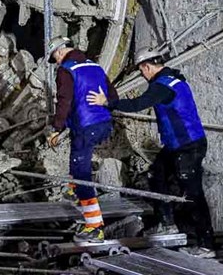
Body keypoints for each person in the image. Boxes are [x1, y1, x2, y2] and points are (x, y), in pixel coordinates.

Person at [86, 48, 215, 258]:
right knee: (157, 175)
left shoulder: (163, 86)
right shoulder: (173, 78)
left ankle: (206, 246)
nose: (142, 75)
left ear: (146, 67)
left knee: (193, 195)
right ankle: (168, 224)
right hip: (177, 145)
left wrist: (106, 102)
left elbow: (139, 104)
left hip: (187, 147)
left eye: (141, 71)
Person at [46, 36, 118, 243]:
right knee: (76, 156)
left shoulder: (66, 70)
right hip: (103, 124)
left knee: (81, 173)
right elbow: (113, 96)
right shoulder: (95, 66)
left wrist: (56, 128)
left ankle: (95, 227)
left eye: (55, 57)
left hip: (87, 127)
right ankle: (73, 191)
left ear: (60, 52)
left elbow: (64, 101)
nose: (57, 62)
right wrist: (103, 103)